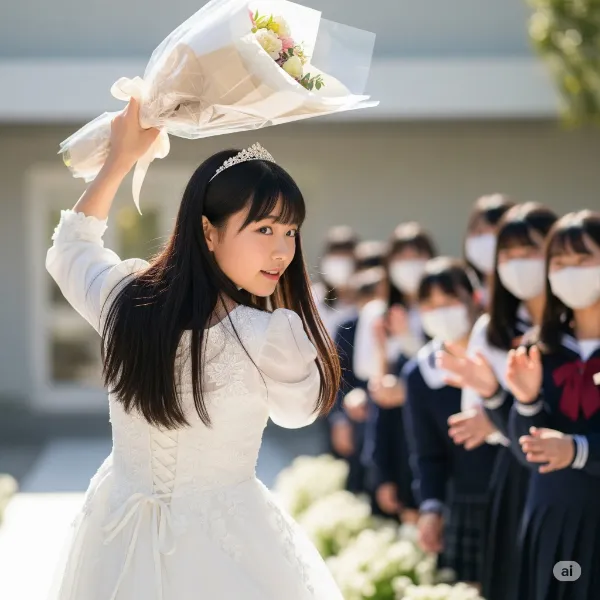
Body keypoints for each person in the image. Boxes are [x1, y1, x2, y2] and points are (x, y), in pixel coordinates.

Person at [45, 98, 344, 600]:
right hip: (224, 547)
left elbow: (70, 250)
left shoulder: (125, 299)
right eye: (264, 229)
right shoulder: (267, 335)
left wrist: (120, 159)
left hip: (116, 533)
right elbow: (298, 413)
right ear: (208, 231)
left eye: (290, 231)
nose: (282, 251)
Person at [437, 202, 559, 600]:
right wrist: (495, 408)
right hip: (517, 474)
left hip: (576, 475)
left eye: (529, 250)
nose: (518, 263)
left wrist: (496, 411)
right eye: (508, 254)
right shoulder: (492, 329)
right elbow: (475, 420)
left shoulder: (579, 325)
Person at [505, 210, 600, 600]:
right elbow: (525, 450)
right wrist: (527, 401)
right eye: (560, 263)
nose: (570, 271)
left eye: (583, 259)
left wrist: (577, 450)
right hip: (552, 513)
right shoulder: (540, 346)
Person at [402, 257, 498, 586]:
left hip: (517, 490)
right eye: (429, 305)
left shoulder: (503, 353)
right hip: (466, 500)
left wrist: (496, 421)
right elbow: (427, 453)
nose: (440, 312)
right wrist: (431, 508)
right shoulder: (421, 373)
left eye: (450, 300)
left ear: (475, 298)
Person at [362, 222, 437, 522]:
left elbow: (442, 373)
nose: (409, 266)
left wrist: (407, 339)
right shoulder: (379, 314)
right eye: (401, 258)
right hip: (395, 429)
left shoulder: (443, 310)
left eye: (416, 256)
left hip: (434, 429)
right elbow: (378, 387)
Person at [463, 194, 515, 307]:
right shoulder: (466, 293)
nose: (487, 241)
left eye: (494, 232)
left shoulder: (524, 294)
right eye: (479, 232)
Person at [312, 225, 359, 338]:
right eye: (335, 256)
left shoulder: (365, 302)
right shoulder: (312, 298)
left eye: (345, 258)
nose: (340, 264)